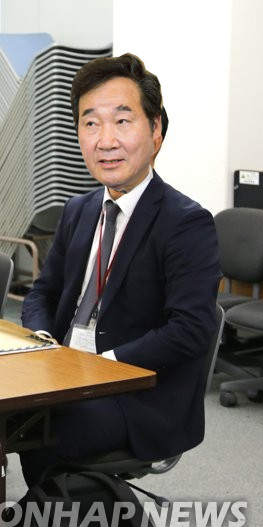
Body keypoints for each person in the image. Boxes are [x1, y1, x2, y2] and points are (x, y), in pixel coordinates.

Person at [19, 54, 221, 485]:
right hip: (65, 370)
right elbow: (42, 293)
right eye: (91, 123)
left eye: (122, 121)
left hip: (136, 393)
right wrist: (43, 341)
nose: (105, 140)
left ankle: (52, 525)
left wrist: (102, 365)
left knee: (39, 430)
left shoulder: (186, 222)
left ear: (156, 131)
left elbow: (190, 329)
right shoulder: (78, 209)